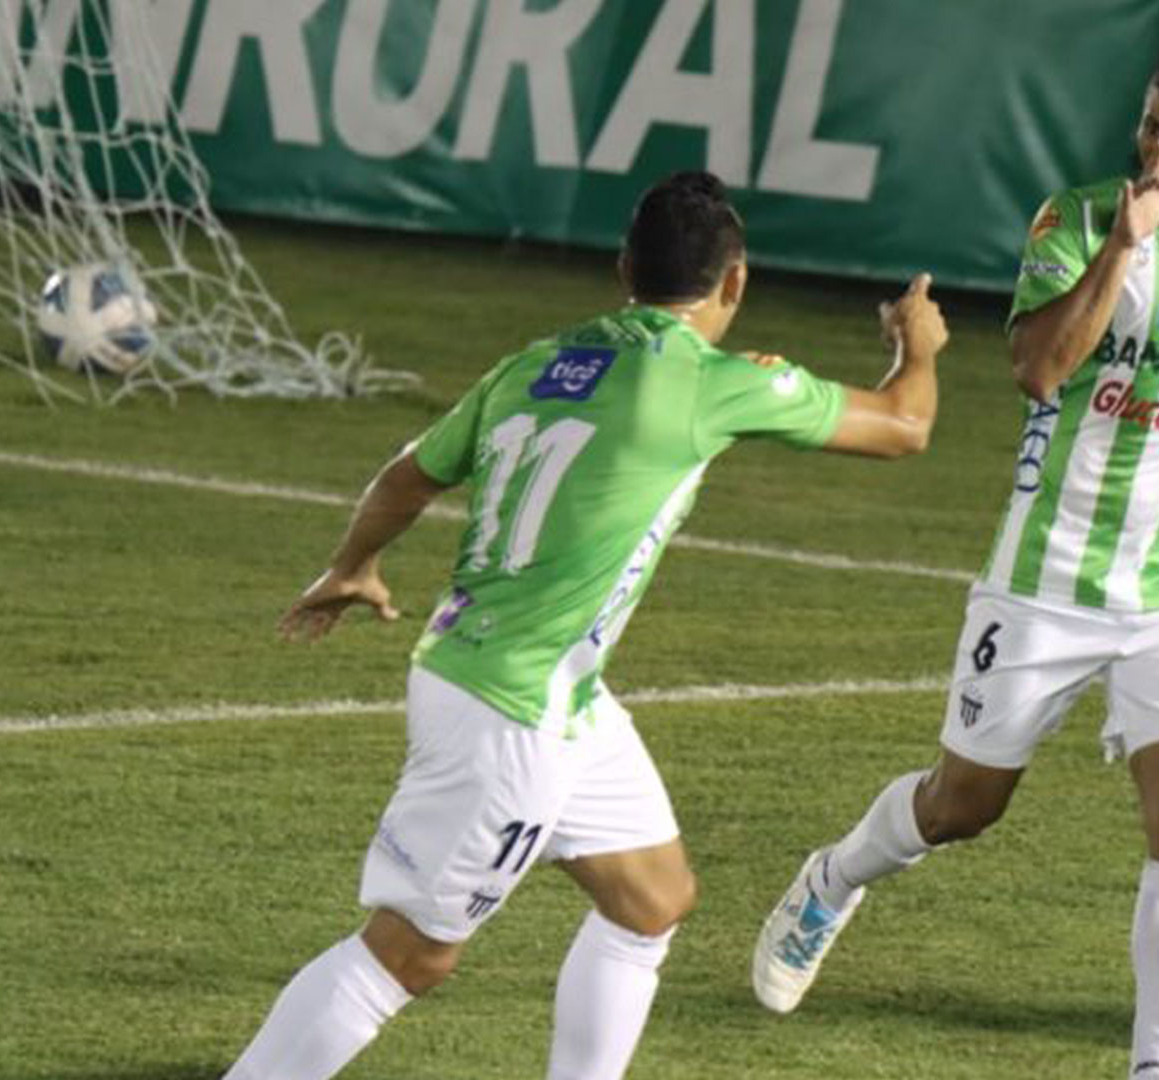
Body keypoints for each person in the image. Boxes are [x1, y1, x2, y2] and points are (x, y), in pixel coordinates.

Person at [222, 170, 948, 1080]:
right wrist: (916, 346)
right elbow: (905, 425)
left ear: (622, 271)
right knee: (408, 955)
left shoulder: (531, 364)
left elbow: (409, 476)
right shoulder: (706, 384)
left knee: (651, 899)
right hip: (510, 711)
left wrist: (352, 564)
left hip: (539, 687)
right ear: (735, 283)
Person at [751, 40, 1159, 1080]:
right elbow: (1038, 371)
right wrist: (1123, 246)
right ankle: (836, 876)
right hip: (1049, 578)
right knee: (962, 808)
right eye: (1153, 126)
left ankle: (1156, 1067)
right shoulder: (1075, 223)